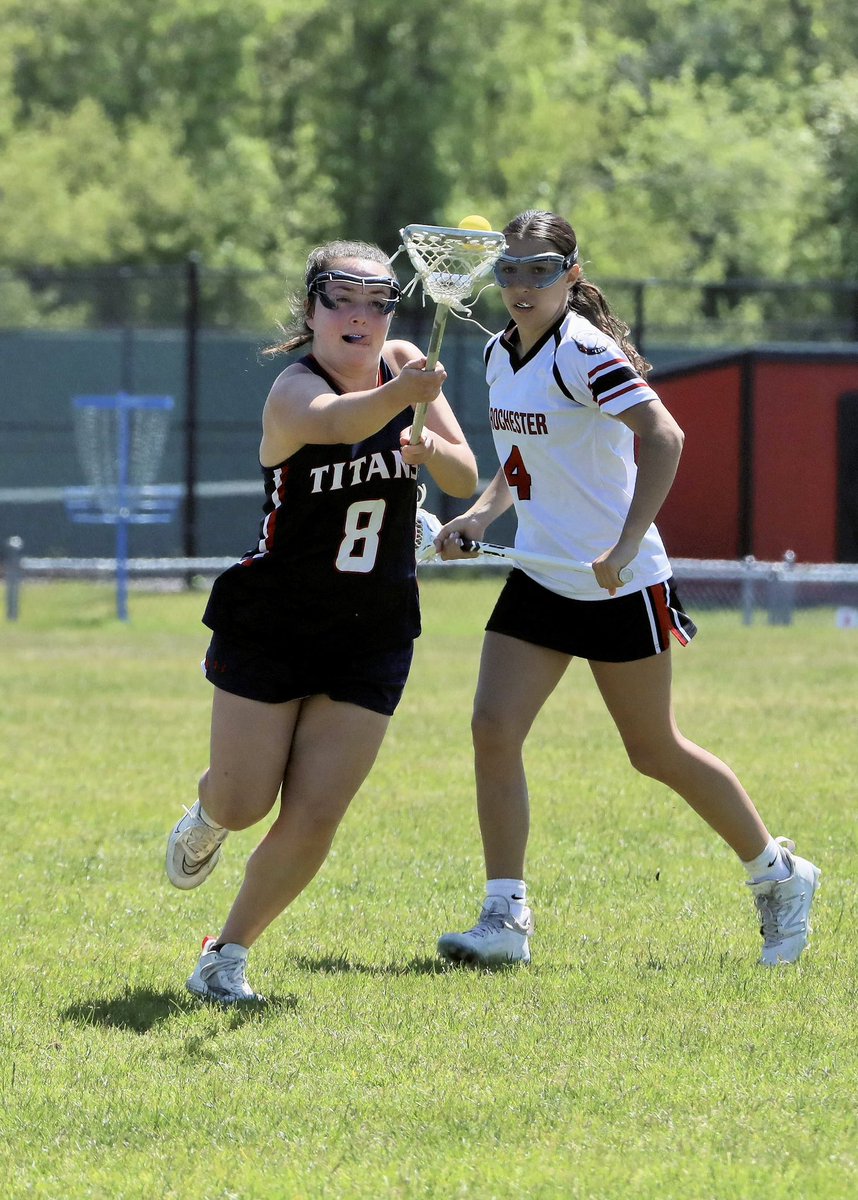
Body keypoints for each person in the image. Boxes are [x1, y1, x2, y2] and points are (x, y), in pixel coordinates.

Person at [434, 210, 819, 969]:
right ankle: (505, 919)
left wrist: (626, 541)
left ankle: (778, 875)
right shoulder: (494, 354)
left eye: (539, 270)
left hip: (619, 582)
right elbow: (521, 462)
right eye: (508, 269)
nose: (521, 284)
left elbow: (665, 436)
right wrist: (478, 516)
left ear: (570, 276)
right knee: (491, 726)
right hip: (545, 573)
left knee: (654, 751)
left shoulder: (583, 351)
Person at [165, 239, 478, 1003]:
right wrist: (402, 398)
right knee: (246, 803)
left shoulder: (405, 363)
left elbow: (465, 475)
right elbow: (339, 425)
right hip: (275, 619)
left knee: (314, 815)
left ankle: (225, 955)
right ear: (309, 311)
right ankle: (208, 811)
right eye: (342, 299)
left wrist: (425, 437)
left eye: (378, 302)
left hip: (373, 625)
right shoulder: (294, 390)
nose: (362, 317)